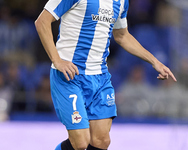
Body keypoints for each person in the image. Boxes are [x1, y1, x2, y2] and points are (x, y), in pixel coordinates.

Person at [35, 0, 177, 149]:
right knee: (81, 142)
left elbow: (122, 35)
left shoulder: (121, 2)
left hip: (100, 78)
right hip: (70, 76)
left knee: (101, 141)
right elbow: (42, 22)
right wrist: (57, 60)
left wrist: (155, 62)